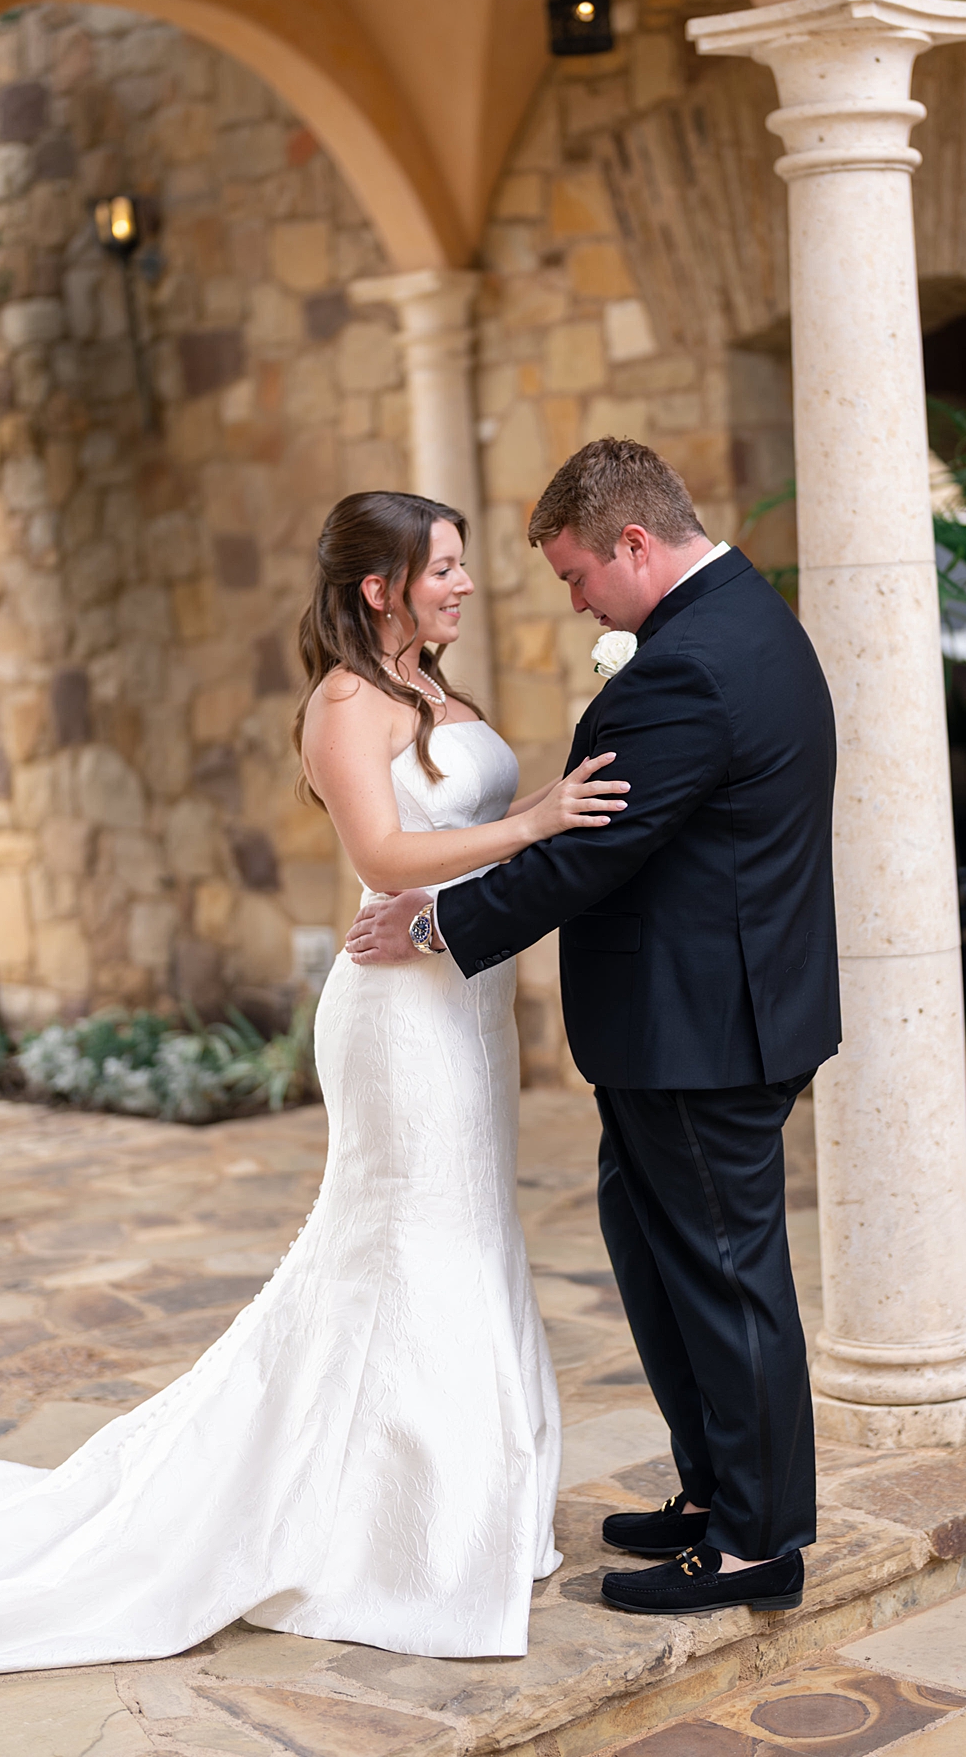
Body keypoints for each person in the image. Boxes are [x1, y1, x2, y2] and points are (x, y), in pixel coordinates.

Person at [0, 490, 628, 1680]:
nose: (463, 583)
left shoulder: (434, 688)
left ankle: (471, 1498)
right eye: (442, 566)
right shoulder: (345, 703)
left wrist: (542, 813)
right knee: (413, 1239)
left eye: (459, 563)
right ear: (379, 586)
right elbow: (384, 853)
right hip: (400, 1019)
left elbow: (462, 837)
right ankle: (402, 1531)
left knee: (474, 1228)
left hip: (466, 1001)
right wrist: (537, 819)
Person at [348, 438, 840, 1620]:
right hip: (696, 1021)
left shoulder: (691, 665)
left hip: (700, 1034)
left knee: (726, 1280)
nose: (575, 601)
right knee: (664, 1259)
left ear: (633, 542)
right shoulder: (741, 619)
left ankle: (756, 1542)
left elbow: (592, 851)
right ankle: (713, 1491)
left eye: (577, 575)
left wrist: (435, 925)